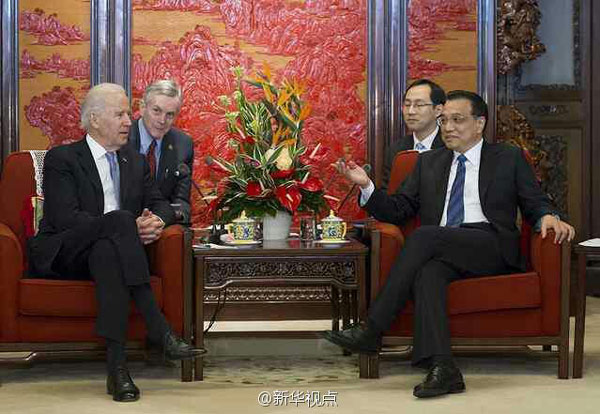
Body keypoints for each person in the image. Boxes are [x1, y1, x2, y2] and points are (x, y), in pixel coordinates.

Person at [322, 90, 575, 398]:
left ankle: (373, 329)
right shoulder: (429, 162)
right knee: (429, 273)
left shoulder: (507, 157)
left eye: (458, 120)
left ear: (479, 124)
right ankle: (444, 369)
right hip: (442, 248)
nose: (449, 127)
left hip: (490, 244)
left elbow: (534, 200)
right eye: (444, 121)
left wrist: (548, 215)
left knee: (426, 236)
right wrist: (366, 187)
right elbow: (398, 209)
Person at [27, 83, 204, 403]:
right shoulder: (62, 158)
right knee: (120, 222)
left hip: (111, 256)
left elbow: (161, 203)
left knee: (109, 250)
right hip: (66, 251)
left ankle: (117, 370)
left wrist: (157, 222)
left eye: (127, 113)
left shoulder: (134, 162)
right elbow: (66, 219)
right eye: (120, 114)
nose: (128, 121)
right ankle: (159, 329)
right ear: (94, 120)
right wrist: (122, 225)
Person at [128, 79, 194, 223]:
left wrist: (159, 219)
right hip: (125, 226)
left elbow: (181, 201)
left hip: (162, 226)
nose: (162, 120)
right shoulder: (122, 138)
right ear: (142, 108)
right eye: (156, 111)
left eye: (169, 114)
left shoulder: (183, 144)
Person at [381, 79, 447, 191]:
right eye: (407, 105)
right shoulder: (396, 150)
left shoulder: (450, 146)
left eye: (419, 105)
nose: (411, 111)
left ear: (438, 110)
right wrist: (366, 186)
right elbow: (388, 196)